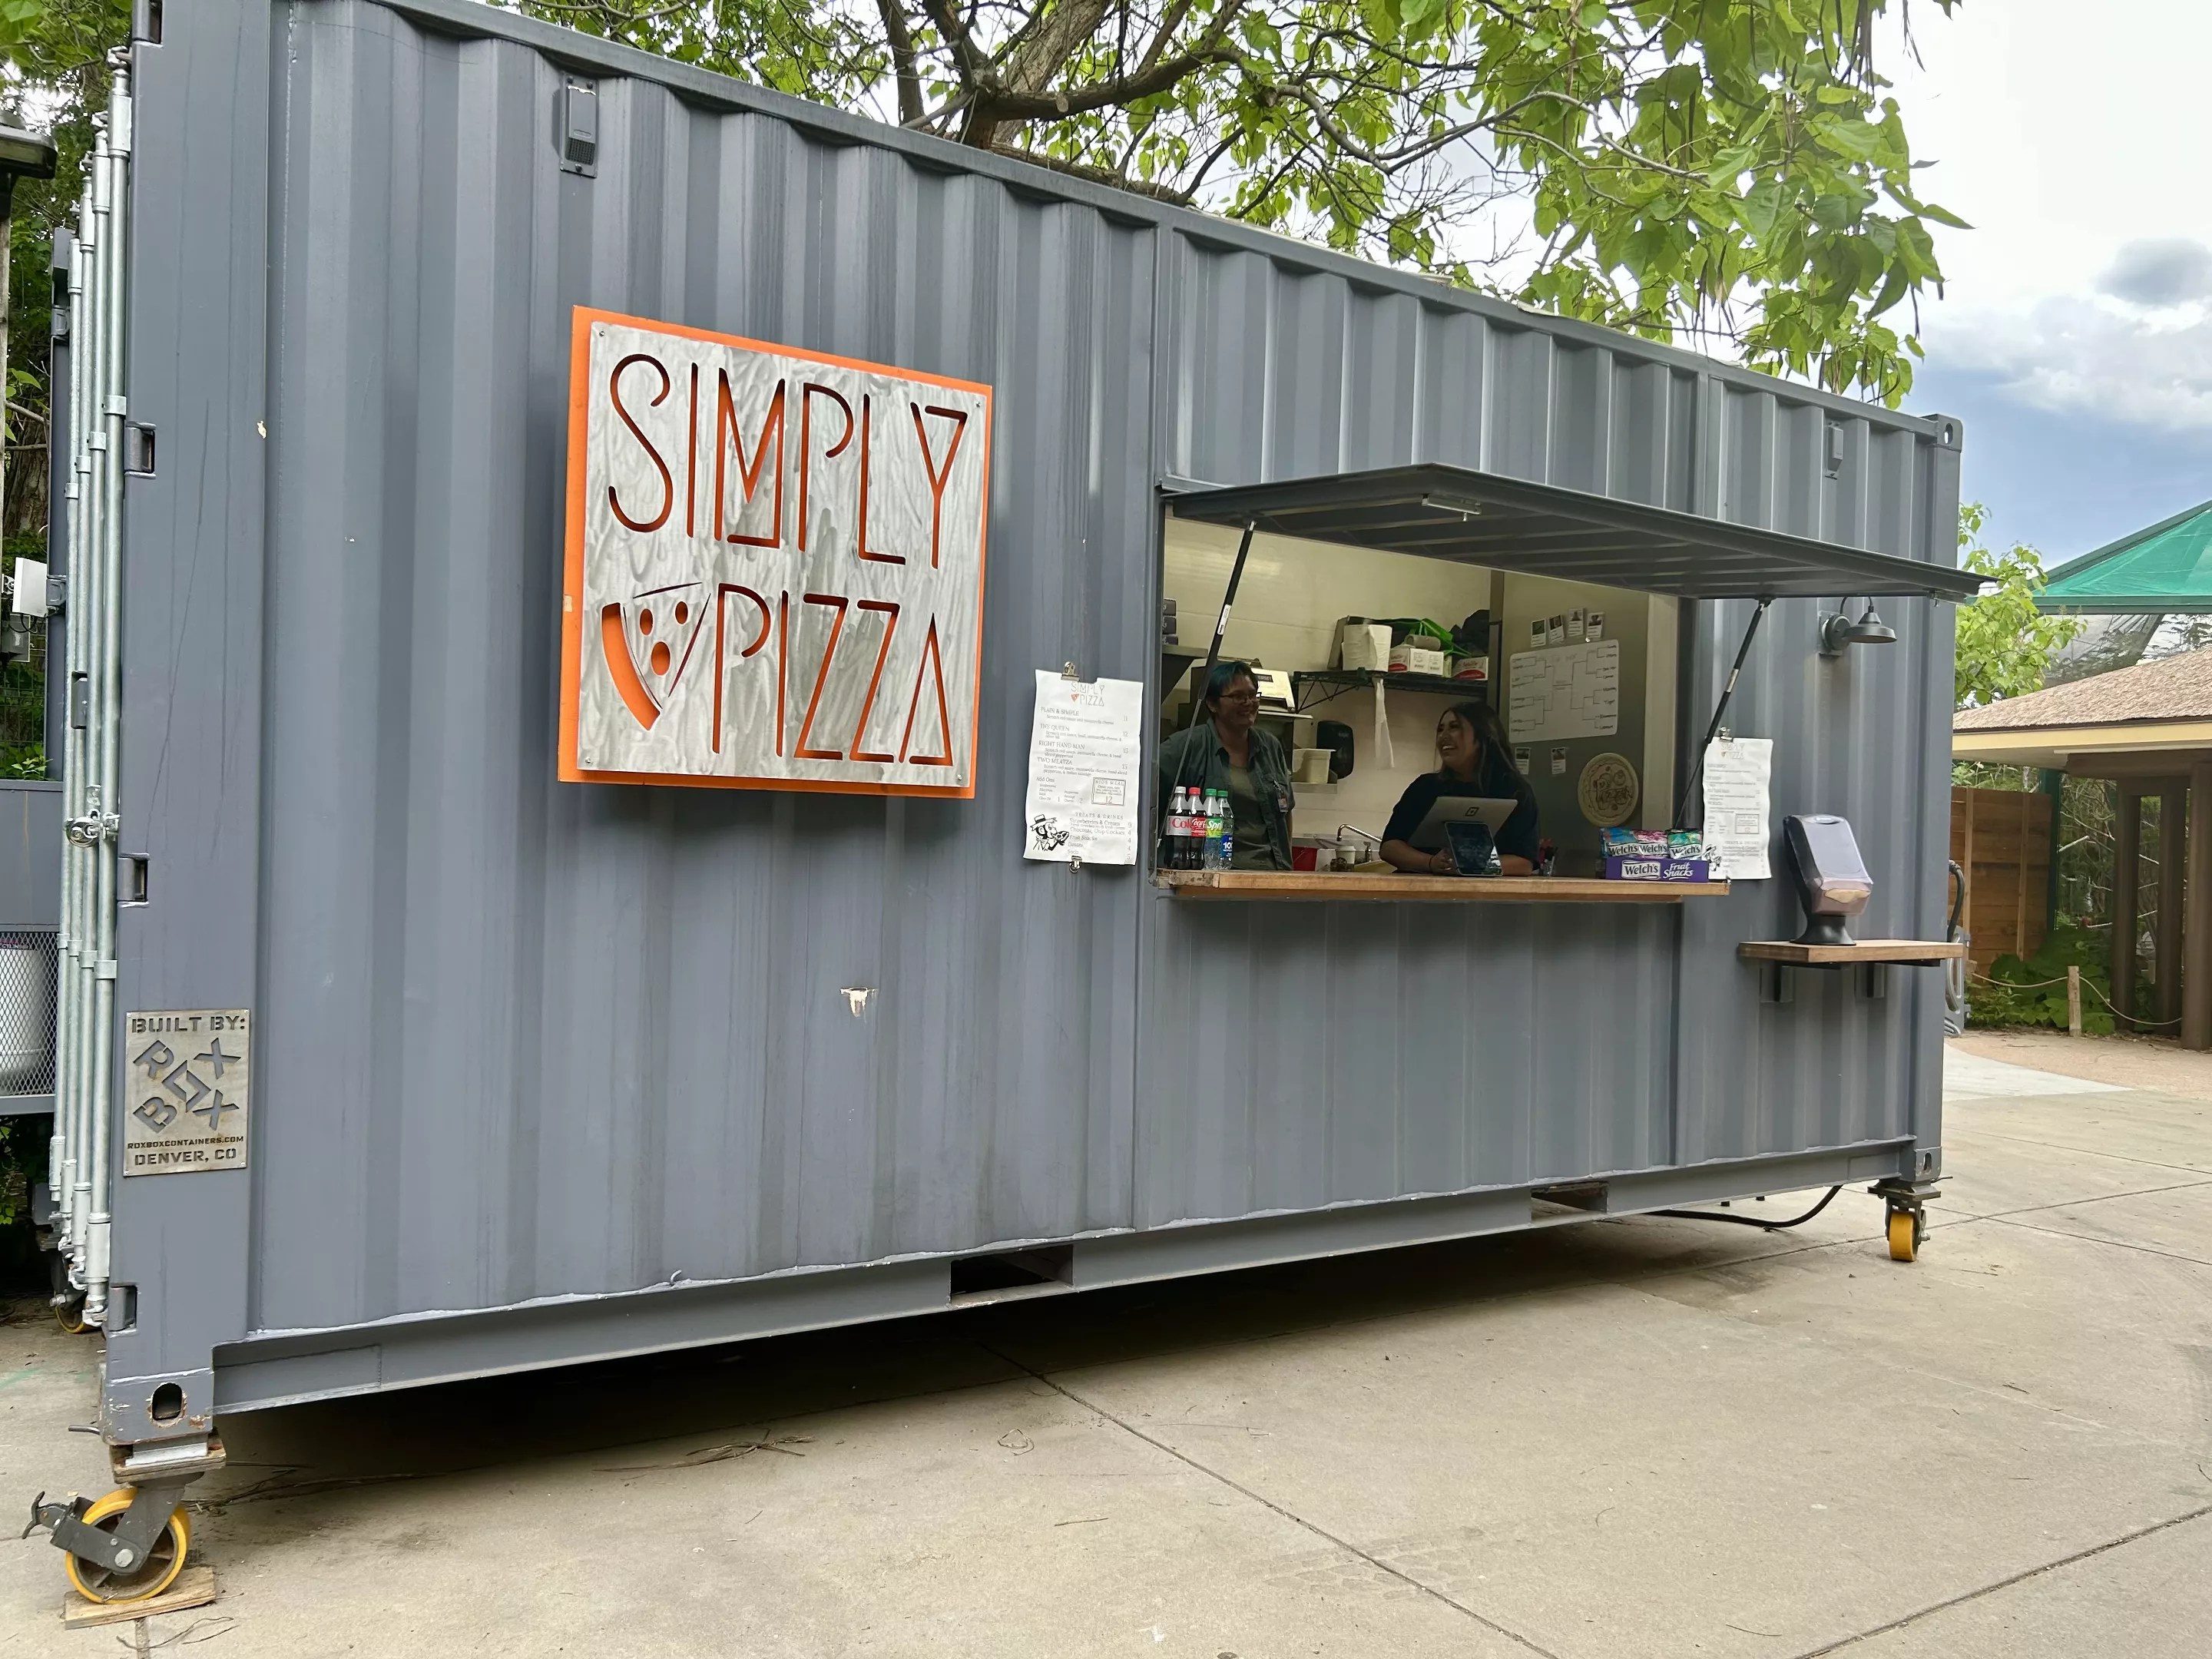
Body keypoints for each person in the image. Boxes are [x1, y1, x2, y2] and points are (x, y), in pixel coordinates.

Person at [1156, 661, 1295, 870]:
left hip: (1271, 877)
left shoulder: (1270, 746)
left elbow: (1286, 814)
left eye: (1253, 695)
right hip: (1212, 877)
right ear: (1212, 704)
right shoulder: (1187, 746)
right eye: (1238, 696)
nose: (1249, 702)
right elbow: (1143, 786)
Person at [1380, 700, 1540, 875]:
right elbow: (1390, 846)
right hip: (1420, 892)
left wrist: (1472, 865)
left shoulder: (1514, 791)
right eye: (1440, 729)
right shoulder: (1425, 787)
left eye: (1454, 727)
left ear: (1483, 737)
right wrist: (1431, 863)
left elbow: (1524, 862)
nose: (1443, 736)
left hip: (1485, 897)